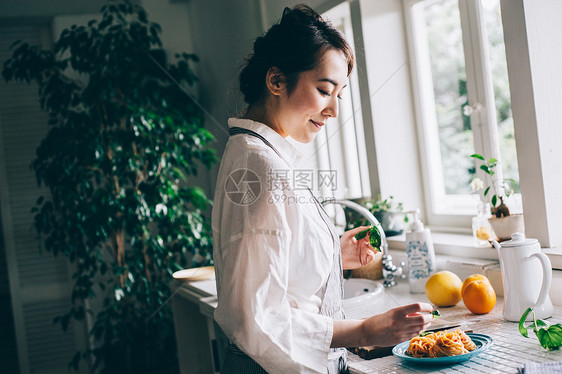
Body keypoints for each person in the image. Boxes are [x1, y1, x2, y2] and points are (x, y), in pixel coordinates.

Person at [211, 5, 433, 373]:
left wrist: (332, 253)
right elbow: (256, 317)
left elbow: (275, 267)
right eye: (324, 90)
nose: (333, 110)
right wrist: (363, 329)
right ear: (276, 81)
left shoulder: (259, 154)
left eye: (339, 95)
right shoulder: (261, 167)